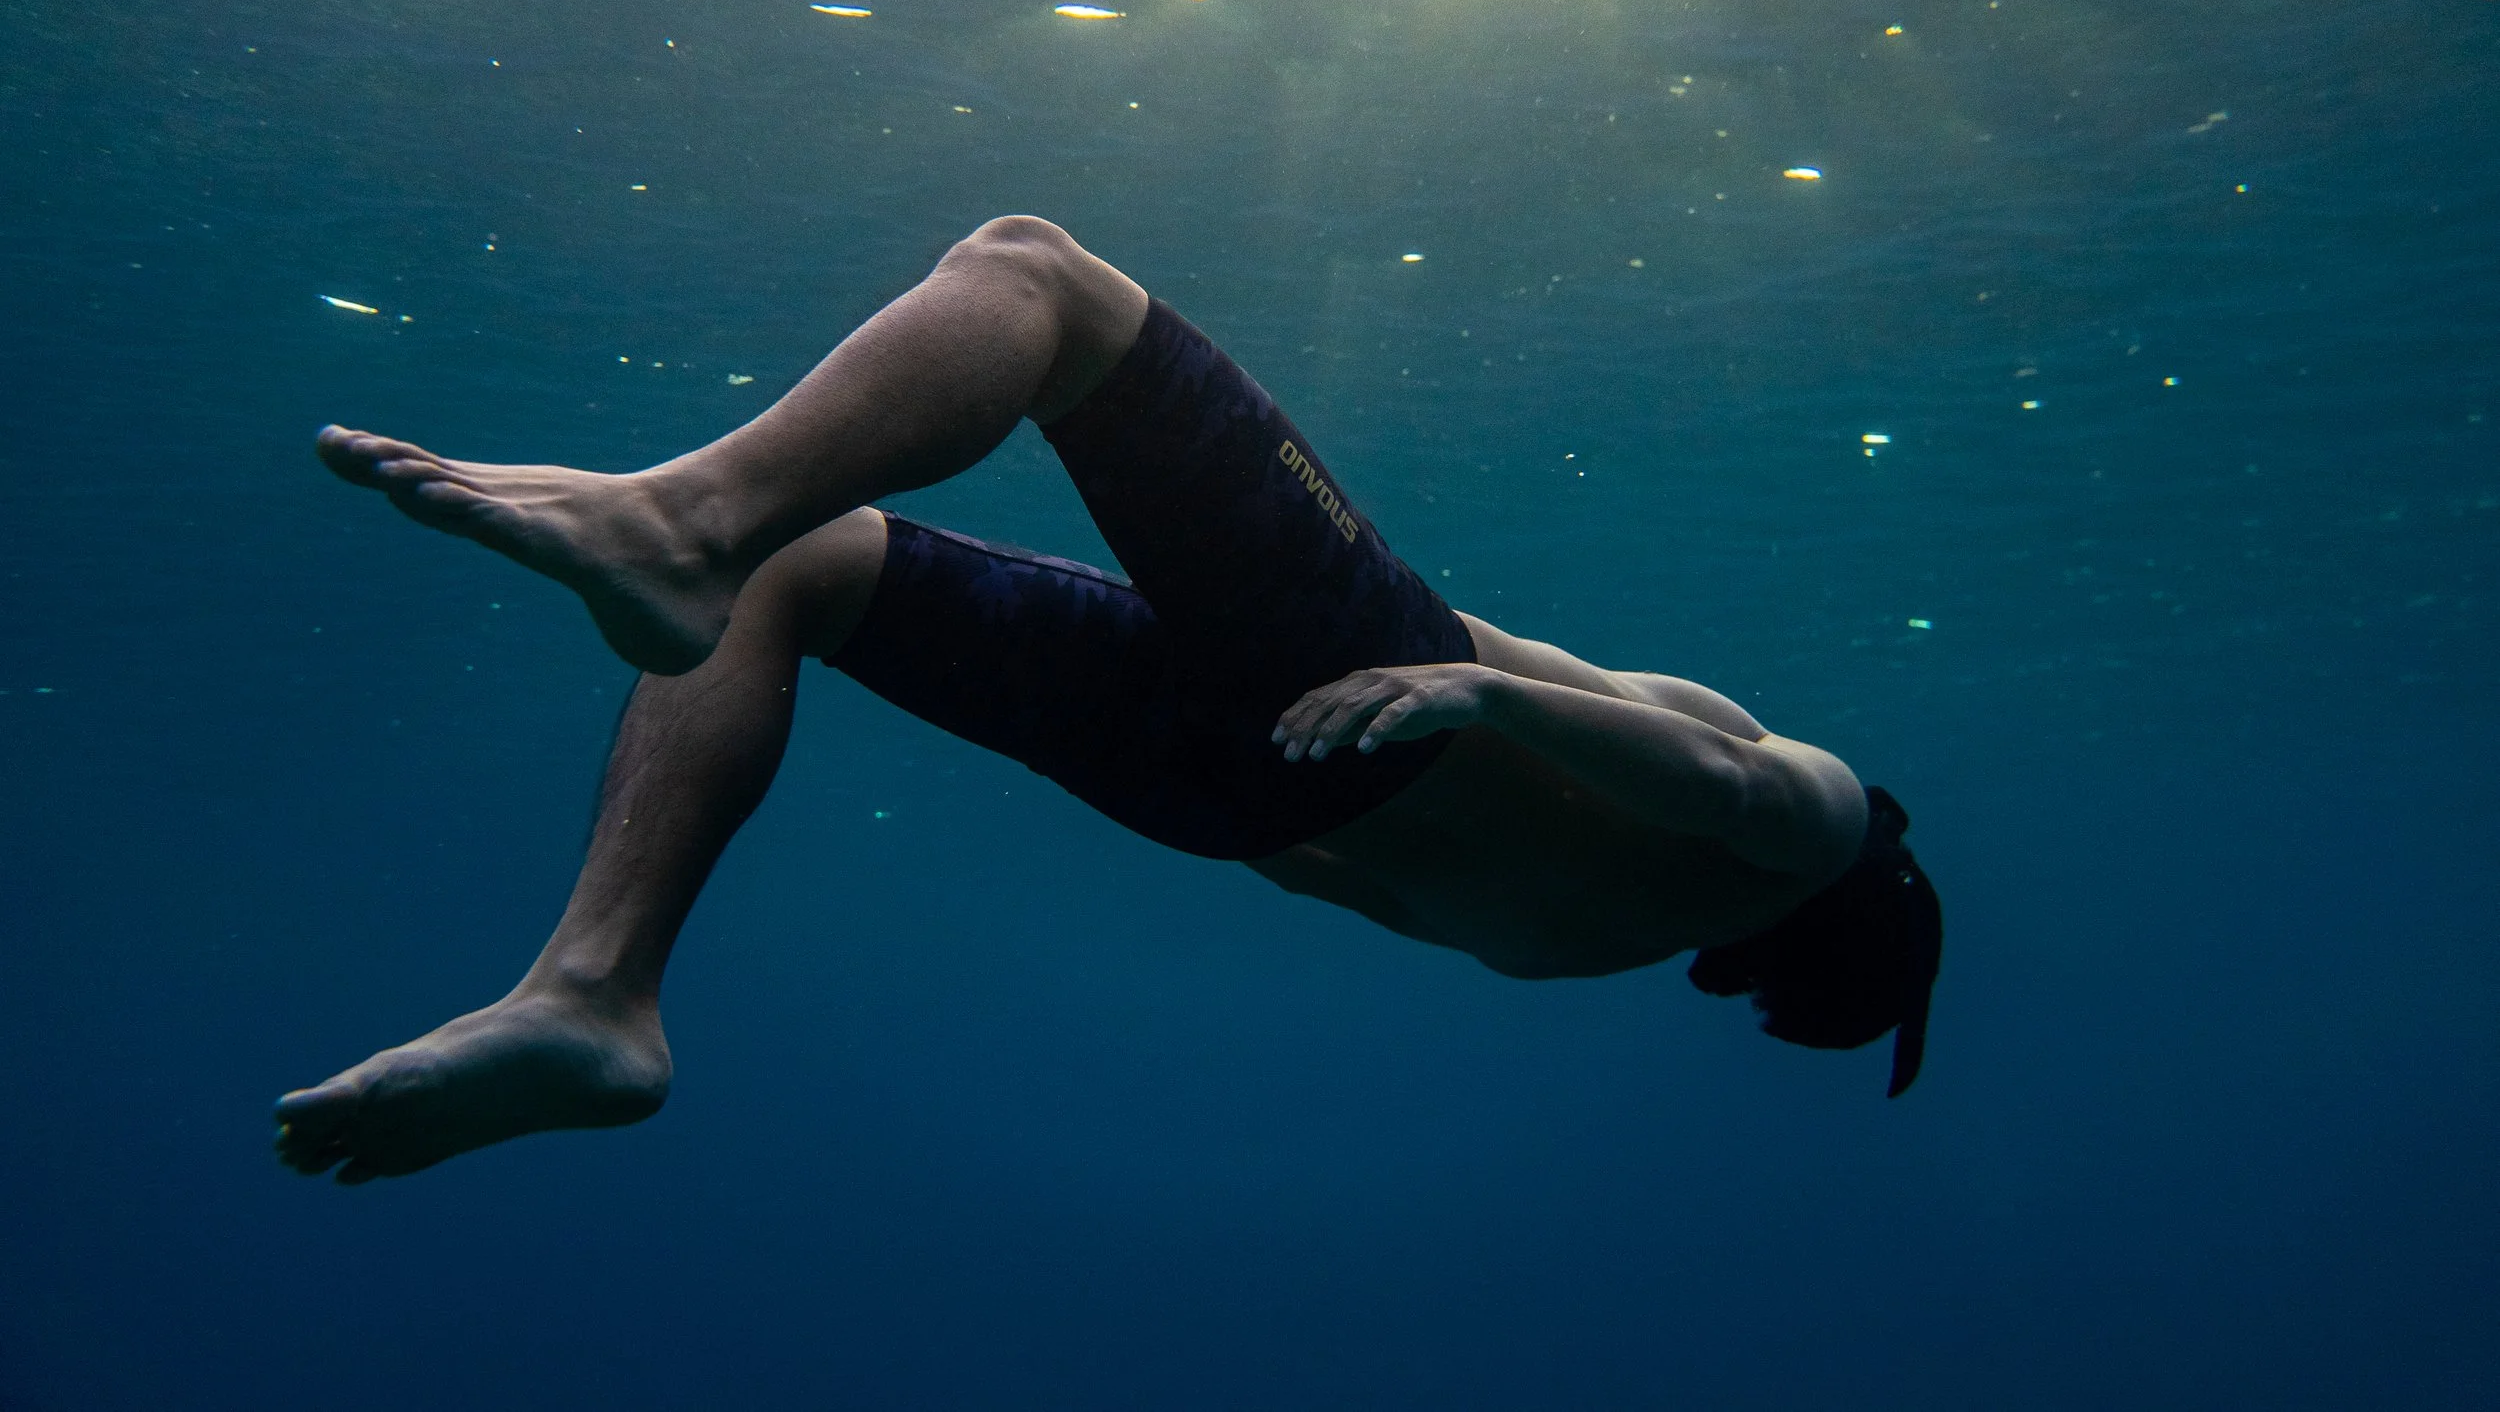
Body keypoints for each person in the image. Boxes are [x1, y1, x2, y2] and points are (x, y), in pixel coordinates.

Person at [275, 216, 1942, 1184]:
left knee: (1038, 275)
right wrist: (1248, 611)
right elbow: (1323, 850)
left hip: (1349, 699)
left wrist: (1459, 694)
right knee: (811, 566)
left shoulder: (1818, 816)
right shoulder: (1581, 939)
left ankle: (680, 514)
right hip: (1239, 782)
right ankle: (590, 997)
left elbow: (1705, 778)